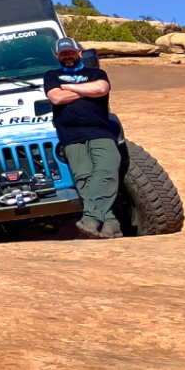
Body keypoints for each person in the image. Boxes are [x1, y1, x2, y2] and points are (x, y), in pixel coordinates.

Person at [43, 37, 122, 239]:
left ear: (80, 52)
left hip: (100, 131)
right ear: (57, 56)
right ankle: (110, 223)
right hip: (71, 135)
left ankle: (91, 218)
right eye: (63, 53)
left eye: (70, 51)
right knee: (85, 177)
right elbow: (56, 97)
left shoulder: (95, 73)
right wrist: (87, 91)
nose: (67, 55)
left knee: (107, 169)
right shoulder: (52, 75)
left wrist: (69, 88)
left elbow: (102, 88)